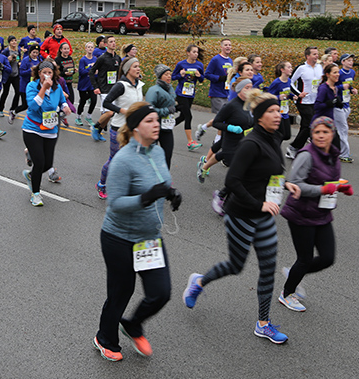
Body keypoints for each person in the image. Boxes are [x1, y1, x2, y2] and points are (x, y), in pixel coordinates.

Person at [183, 91, 300, 344]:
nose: (278, 114)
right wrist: (260, 204)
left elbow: (271, 170)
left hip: (264, 215)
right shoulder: (251, 144)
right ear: (258, 117)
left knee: (268, 268)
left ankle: (263, 323)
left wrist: (286, 184)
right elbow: (232, 181)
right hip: (241, 214)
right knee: (236, 266)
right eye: (271, 111)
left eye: (279, 110)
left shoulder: (274, 137)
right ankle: (199, 282)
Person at [93, 102, 182, 362]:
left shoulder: (157, 152)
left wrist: (170, 193)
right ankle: (105, 337)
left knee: (160, 293)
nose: (156, 125)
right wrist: (145, 198)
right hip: (119, 238)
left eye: (157, 120)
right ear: (135, 127)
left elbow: (161, 182)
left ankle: (133, 324)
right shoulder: (123, 160)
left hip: (148, 239)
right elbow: (115, 203)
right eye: (150, 121)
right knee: (121, 293)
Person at [278, 116, 352, 312]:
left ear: (332, 134)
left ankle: (294, 273)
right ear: (312, 134)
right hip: (300, 213)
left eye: (325, 132)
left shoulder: (333, 154)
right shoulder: (306, 155)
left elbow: (329, 180)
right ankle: (287, 293)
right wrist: (322, 190)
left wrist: (341, 187)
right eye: (317, 132)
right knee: (305, 258)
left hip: (321, 213)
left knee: (328, 258)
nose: (321, 136)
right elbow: (295, 183)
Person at [21, 60, 70, 207]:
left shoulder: (57, 88)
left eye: (50, 72)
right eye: (44, 73)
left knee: (48, 164)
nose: (47, 76)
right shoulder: (32, 86)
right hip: (32, 129)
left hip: (50, 129)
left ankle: (31, 175)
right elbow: (33, 106)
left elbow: (62, 101)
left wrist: (65, 107)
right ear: (39, 74)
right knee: (40, 162)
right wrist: (43, 89)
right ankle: (35, 194)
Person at [97, 57, 144, 199]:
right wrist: (122, 110)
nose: (138, 69)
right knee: (115, 160)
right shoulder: (121, 85)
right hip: (119, 129)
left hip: (134, 129)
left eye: (139, 66)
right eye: (135, 66)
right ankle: (102, 184)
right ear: (127, 69)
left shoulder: (139, 85)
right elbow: (107, 102)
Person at [197, 77, 253, 183]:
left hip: (243, 140)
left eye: (251, 87)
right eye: (247, 87)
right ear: (240, 89)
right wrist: (230, 128)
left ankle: (204, 166)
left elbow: (250, 121)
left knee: (226, 157)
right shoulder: (230, 105)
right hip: (231, 141)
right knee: (237, 169)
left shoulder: (248, 105)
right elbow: (216, 122)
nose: (250, 90)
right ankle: (225, 194)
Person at [286, 46, 323, 159]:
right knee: (310, 125)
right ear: (308, 56)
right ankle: (294, 147)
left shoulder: (319, 67)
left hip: (315, 101)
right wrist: (298, 93)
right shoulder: (301, 68)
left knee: (306, 126)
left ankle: (298, 149)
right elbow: (290, 82)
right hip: (303, 101)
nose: (317, 56)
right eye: (314, 54)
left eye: (317, 54)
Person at [195, 39, 233, 142]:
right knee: (223, 119)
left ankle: (203, 128)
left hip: (226, 93)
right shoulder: (216, 59)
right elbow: (207, 74)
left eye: (229, 45)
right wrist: (219, 78)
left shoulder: (230, 61)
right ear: (221, 47)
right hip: (216, 93)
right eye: (225, 45)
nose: (228, 47)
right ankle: (217, 141)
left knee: (223, 117)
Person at [172, 43, 205, 150]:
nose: (196, 54)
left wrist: (199, 76)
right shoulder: (181, 64)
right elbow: (173, 77)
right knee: (188, 116)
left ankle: (165, 128)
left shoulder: (199, 65)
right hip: (181, 93)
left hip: (190, 93)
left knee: (182, 116)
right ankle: (190, 142)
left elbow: (202, 79)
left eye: (197, 52)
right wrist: (180, 75)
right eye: (194, 52)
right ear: (188, 53)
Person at [89, 36, 122, 142]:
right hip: (104, 88)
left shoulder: (117, 58)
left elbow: (121, 72)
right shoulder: (102, 58)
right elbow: (91, 72)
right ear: (106, 44)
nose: (113, 43)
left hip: (114, 88)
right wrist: (96, 87)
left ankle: (98, 132)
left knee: (107, 114)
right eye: (111, 42)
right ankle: (95, 126)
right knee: (110, 112)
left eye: (114, 41)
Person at [145, 64, 177, 168]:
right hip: (154, 126)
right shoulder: (154, 90)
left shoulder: (170, 88)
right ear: (160, 76)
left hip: (167, 127)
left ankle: (165, 181)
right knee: (151, 155)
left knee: (167, 154)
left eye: (170, 74)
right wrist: (167, 110)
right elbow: (149, 110)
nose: (169, 76)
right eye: (166, 74)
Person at [313, 63, 343, 151]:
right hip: (320, 123)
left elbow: (333, 103)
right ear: (328, 75)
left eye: (338, 72)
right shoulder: (323, 88)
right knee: (323, 151)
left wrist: (338, 103)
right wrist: (329, 103)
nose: (337, 74)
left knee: (336, 149)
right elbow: (317, 106)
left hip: (330, 122)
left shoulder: (335, 88)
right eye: (335, 72)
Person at [335, 54, 358, 162]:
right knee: (343, 129)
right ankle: (344, 154)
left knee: (336, 128)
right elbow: (331, 87)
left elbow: (349, 85)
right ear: (342, 62)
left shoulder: (352, 72)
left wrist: (352, 89)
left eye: (352, 60)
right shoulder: (338, 73)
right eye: (348, 60)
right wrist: (341, 87)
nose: (351, 62)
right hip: (338, 105)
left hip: (347, 104)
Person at [267, 61, 296, 143]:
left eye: (291, 67)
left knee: (287, 135)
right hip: (277, 112)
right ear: (282, 70)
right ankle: (273, 150)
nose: (291, 69)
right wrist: (278, 97)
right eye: (289, 67)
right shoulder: (276, 82)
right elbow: (269, 96)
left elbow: (286, 93)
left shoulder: (289, 81)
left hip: (285, 110)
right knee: (280, 135)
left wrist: (292, 96)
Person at [12, 43, 42, 117]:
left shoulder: (40, 60)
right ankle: (14, 112)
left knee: (36, 103)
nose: (35, 54)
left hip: (36, 86)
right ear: (30, 52)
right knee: (25, 105)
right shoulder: (25, 60)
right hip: (25, 85)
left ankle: (34, 119)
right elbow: (21, 73)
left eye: (37, 52)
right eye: (33, 52)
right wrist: (30, 70)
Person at [76, 42, 98, 126]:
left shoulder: (95, 59)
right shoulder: (83, 60)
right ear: (85, 49)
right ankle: (78, 117)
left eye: (91, 47)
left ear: (93, 49)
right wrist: (90, 67)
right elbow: (81, 72)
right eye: (88, 47)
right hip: (83, 84)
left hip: (91, 84)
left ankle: (88, 116)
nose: (90, 48)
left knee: (94, 100)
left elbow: (96, 71)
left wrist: (97, 72)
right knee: (83, 101)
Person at [0, 35, 21, 115]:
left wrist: (19, 62)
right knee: (6, 92)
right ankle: (0, 109)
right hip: (8, 75)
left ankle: (13, 109)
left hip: (16, 74)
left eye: (15, 40)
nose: (14, 42)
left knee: (18, 92)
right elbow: (1, 61)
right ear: (9, 43)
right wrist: (8, 60)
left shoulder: (18, 50)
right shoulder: (6, 51)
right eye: (12, 41)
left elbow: (19, 59)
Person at [54, 41, 76, 106]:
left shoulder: (70, 58)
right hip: (61, 83)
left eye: (68, 49)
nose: (66, 51)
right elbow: (56, 72)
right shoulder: (58, 60)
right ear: (61, 50)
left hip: (69, 82)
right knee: (61, 101)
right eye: (65, 49)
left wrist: (74, 71)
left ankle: (63, 114)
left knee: (71, 100)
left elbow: (72, 69)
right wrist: (64, 73)